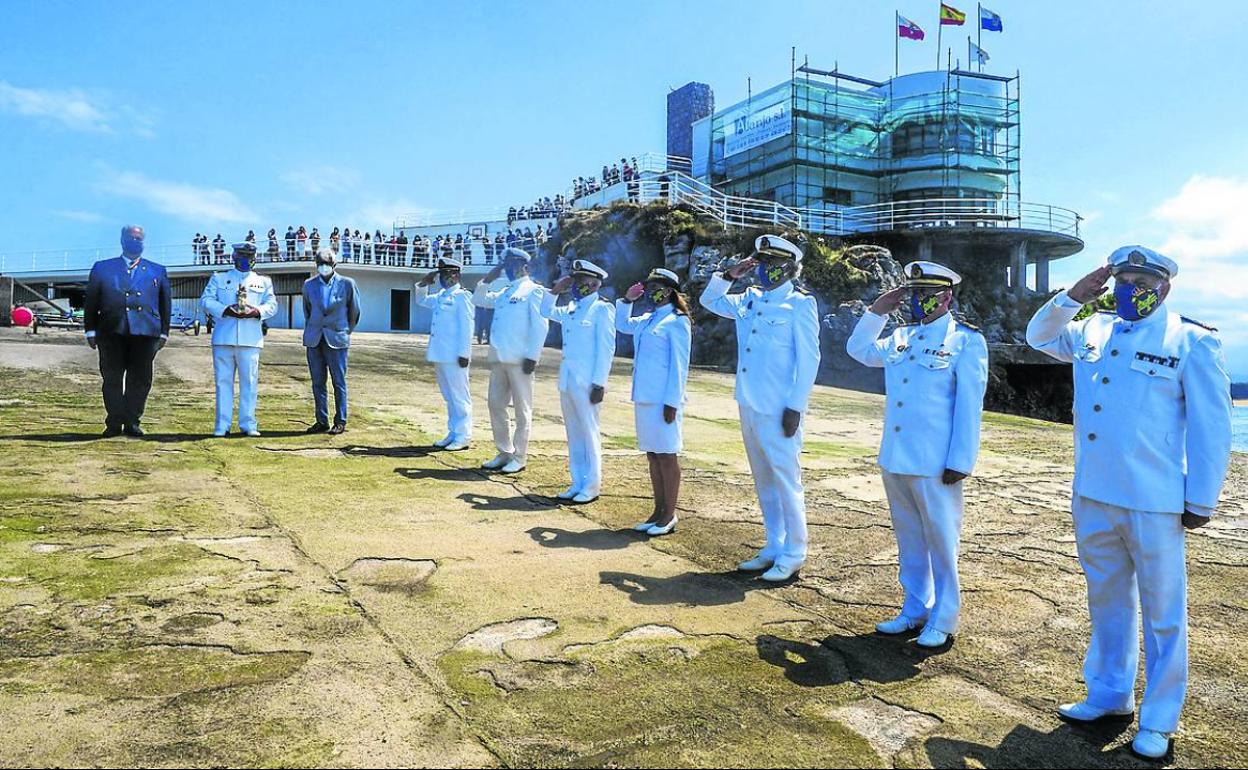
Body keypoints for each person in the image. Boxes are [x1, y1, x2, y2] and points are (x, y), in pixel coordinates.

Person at [1025, 245, 1232, 761]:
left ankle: (1160, 718)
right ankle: (1109, 694)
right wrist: (1073, 297)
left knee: (1164, 613)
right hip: (1094, 493)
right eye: (1122, 278)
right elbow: (1039, 337)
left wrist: (1201, 499)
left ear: (1165, 286)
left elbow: (1213, 428)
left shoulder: (1191, 340)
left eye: (1141, 278)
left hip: (1154, 501)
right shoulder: (1092, 329)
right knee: (1107, 601)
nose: (1129, 287)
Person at [846, 261, 989, 650]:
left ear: (946, 297)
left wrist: (961, 460)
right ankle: (914, 608)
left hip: (935, 462)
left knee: (942, 542)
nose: (918, 301)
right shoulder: (900, 337)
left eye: (926, 294)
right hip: (897, 456)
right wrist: (877, 311)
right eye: (913, 294)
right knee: (909, 539)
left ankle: (944, 616)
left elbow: (968, 406)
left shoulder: (965, 341)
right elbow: (858, 350)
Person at [700, 235, 821, 582]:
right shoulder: (749, 299)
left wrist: (795, 407)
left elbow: (810, 359)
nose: (766, 269)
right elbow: (710, 301)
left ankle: (795, 552)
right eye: (762, 262)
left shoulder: (799, 305)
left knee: (786, 480)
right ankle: (773, 544)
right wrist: (729, 275)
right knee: (764, 479)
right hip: (749, 402)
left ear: (789, 268)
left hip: (779, 407)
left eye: (772, 263)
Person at [616, 268, 692, 535]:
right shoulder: (648, 319)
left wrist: (673, 402)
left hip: (663, 400)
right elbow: (622, 325)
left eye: (656, 287)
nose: (651, 292)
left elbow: (679, 366)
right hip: (645, 397)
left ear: (669, 291)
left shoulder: (677, 321)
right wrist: (627, 301)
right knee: (653, 455)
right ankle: (657, 511)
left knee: (667, 456)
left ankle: (669, 515)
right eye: (649, 288)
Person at [82, 225, 172, 437]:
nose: (135, 241)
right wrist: (90, 330)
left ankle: (132, 421)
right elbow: (92, 301)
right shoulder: (103, 268)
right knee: (112, 378)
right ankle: (114, 422)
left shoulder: (157, 270)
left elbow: (165, 303)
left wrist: (164, 332)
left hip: (145, 333)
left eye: (139, 238)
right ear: (122, 240)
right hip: (111, 331)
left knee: (140, 380)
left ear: (144, 242)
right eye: (131, 238)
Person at [541, 259, 616, 503]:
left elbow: (606, 349)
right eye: (574, 281)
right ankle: (577, 482)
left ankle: (592, 485)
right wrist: (554, 291)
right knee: (574, 433)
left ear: (594, 284)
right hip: (568, 381)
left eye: (580, 281)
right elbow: (546, 311)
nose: (575, 285)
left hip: (587, 383)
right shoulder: (573, 308)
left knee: (589, 433)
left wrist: (599, 383)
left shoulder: (602, 309)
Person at [473, 247, 549, 474]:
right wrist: (489, 278)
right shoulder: (505, 292)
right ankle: (504, 451)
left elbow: (540, 325)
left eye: (512, 265)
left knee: (522, 410)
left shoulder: (534, 291)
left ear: (524, 267)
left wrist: (532, 356)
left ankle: (519, 455)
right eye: (506, 265)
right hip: (499, 359)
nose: (508, 269)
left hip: (520, 361)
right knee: (495, 405)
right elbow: (479, 298)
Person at [200, 242, 278, 437]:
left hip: (250, 339)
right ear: (233, 257)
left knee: (249, 383)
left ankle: (248, 424)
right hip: (224, 337)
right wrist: (224, 309)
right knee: (223, 383)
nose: (244, 260)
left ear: (254, 259)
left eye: (248, 256)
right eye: (240, 256)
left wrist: (256, 311)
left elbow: (272, 305)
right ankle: (222, 426)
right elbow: (206, 300)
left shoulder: (263, 281)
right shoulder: (219, 278)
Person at [416, 254, 475, 450]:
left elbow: (467, 327)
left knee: (459, 395)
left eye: (447, 274)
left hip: (455, 356)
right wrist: (425, 282)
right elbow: (421, 300)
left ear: (456, 275)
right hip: (440, 354)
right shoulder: (441, 296)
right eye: (441, 274)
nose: (443, 278)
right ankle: (453, 432)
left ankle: (463, 436)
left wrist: (465, 353)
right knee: (449, 396)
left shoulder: (462, 296)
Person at [302, 250, 360, 435]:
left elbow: (355, 312)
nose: (323, 266)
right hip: (314, 339)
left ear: (334, 264)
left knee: (338, 381)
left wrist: (345, 331)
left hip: (337, 339)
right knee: (317, 382)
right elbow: (307, 311)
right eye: (320, 263)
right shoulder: (308, 285)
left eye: (327, 263)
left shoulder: (348, 284)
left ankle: (340, 420)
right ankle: (321, 420)